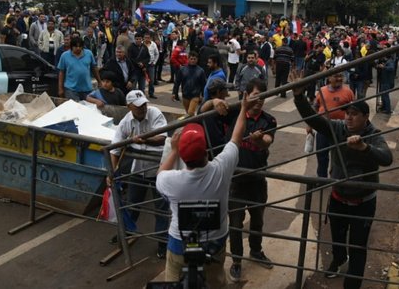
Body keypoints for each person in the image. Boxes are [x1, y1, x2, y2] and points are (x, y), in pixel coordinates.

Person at [293, 83, 393, 289]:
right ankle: (338, 260)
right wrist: (298, 97)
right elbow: (315, 120)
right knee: (337, 239)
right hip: (338, 197)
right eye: (347, 113)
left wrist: (364, 148)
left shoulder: (373, 135)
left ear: (366, 117)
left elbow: (387, 158)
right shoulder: (338, 128)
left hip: (363, 203)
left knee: (357, 247)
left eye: (354, 114)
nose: (349, 117)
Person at [156, 95, 256, 286]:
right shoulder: (221, 169)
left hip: (179, 244)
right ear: (207, 152)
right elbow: (236, 137)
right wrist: (243, 109)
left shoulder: (172, 181)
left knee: (173, 282)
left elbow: (160, 173)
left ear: (184, 159)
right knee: (216, 281)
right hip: (215, 243)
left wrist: (174, 151)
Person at [226, 79, 277, 283]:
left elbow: (268, 141)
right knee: (236, 223)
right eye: (255, 96)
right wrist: (212, 103)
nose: (259, 101)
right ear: (246, 95)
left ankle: (256, 251)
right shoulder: (234, 114)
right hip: (236, 180)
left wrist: (260, 140)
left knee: (257, 220)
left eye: (262, 97)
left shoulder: (269, 120)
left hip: (257, 179)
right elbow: (205, 110)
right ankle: (236, 260)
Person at [109, 90, 169, 258]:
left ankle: (163, 244)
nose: (142, 108)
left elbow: (162, 137)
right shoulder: (126, 121)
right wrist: (113, 171)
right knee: (132, 205)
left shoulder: (155, 113)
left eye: (144, 104)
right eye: (138, 106)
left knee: (161, 209)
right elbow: (115, 147)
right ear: (129, 107)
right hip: (138, 170)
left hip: (158, 169)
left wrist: (145, 139)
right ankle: (125, 232)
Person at [311, 72, 355, 178]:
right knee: (321, 156)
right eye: (336, 76)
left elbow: (354, 109)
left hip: (340, 130)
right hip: (323, 128)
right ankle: (321, 178)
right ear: (329, 78)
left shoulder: (348, 92)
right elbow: (315, 107)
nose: (339, 78)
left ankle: (335, 178)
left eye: (341, 76)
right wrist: (310, 124)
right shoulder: (322, 90)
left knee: (338, 157)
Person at [57, 36, 101, 101]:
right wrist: (60, 88)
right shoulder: (64, 55)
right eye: (76, 46)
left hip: (87, 89)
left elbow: (94, 68)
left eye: (80, 46)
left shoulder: (89, 53)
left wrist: (99, 81)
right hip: (71, 89)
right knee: (75, 109)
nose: (78, 48)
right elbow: (61, 72)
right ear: (71, 47)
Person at [172, 51, 206, 116]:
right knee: (188, 113)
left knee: (190, 112)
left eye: (194, 59)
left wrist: (203, 95)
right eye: (191, 59)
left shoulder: (201, 71)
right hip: (185, 95)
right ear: (188, 59)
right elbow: (177, 82)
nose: (193, 60)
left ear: (197, 60)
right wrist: (174, 93)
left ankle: (192, 124)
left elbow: (203, 84)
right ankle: (191, 124)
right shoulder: (183, 69)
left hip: (195, 95)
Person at [144, 32, 160, 99]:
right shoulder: (141, 44)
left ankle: (151, 93)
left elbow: (157, 54)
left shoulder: (153, 44)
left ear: (150, 38)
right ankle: (142, 94)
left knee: (151, 80)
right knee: (142, 81)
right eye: (145, 38)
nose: (147, 39)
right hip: (143, 65)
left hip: (151, 65)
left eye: (148, 38)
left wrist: (154, 62)